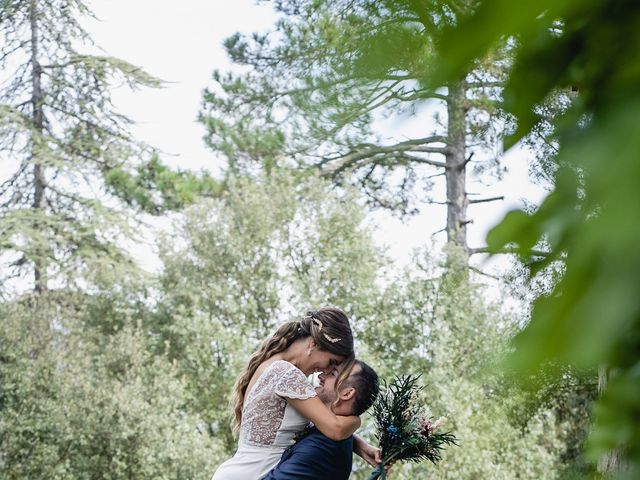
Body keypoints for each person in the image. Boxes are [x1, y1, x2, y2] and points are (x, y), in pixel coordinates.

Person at [212, 308, 364, 480]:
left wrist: (361, 446)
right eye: (331, 362)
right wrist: (357, 419)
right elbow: (335, 428)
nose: (326, 370)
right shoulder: (286, 373)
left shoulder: (275, 366)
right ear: (313, 344)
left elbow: (318, 424)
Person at [263, 359, 380, 480]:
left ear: (347, 394)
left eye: (333, 373)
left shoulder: (320, 448)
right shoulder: (336, 432)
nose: (320, 375)